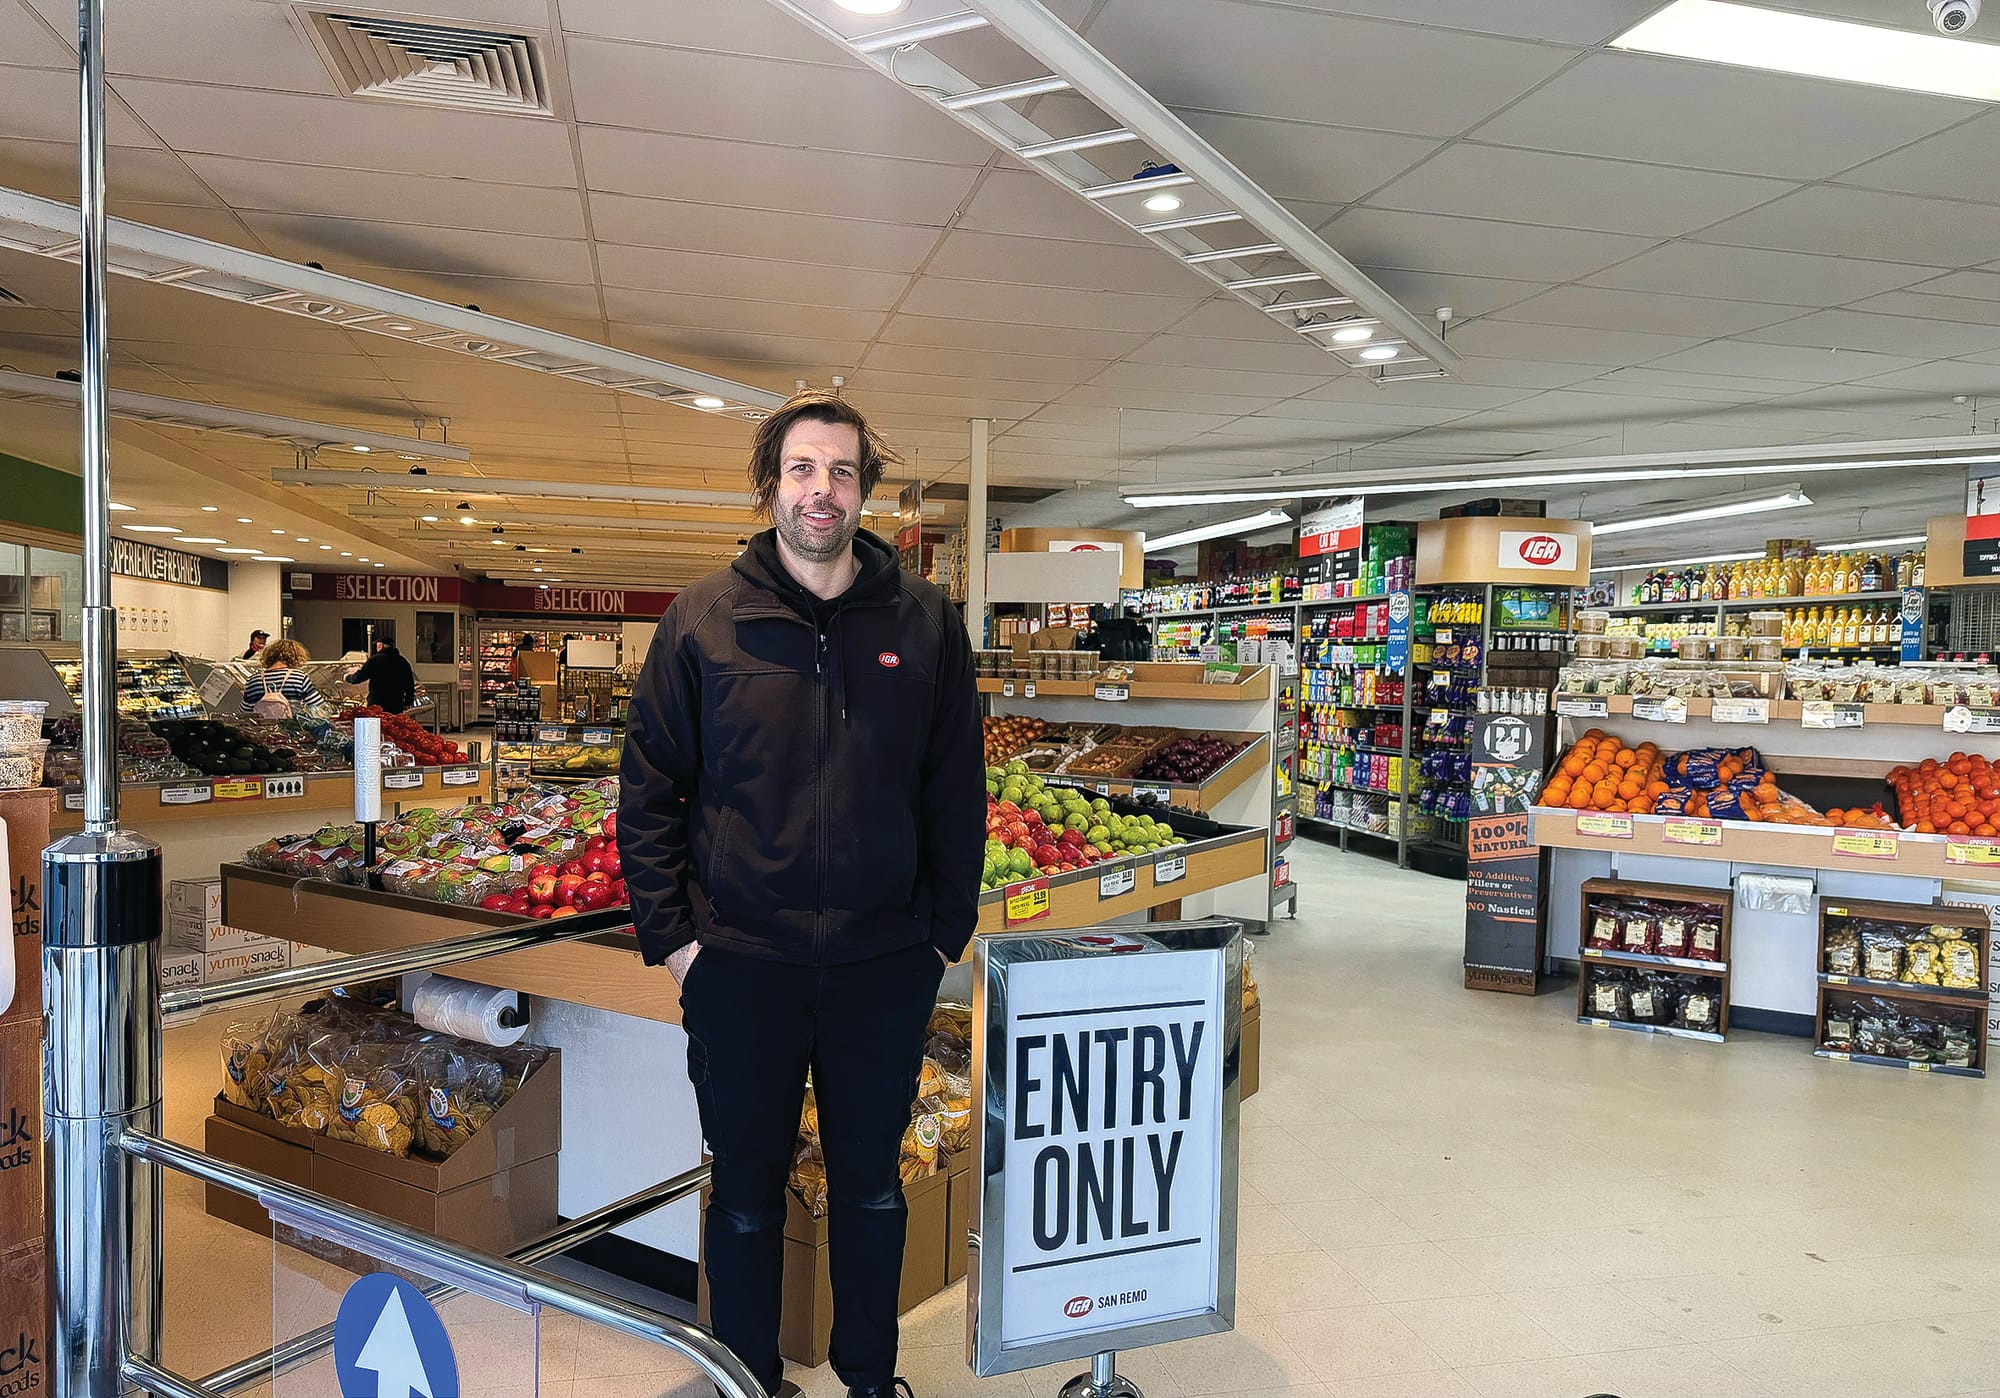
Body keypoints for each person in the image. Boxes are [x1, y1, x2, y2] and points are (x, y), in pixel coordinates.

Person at [619, 390, 981, 1398]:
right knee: (744, 1199)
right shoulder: (703, 618)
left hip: (882, 965)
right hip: (741, 966)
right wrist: (678, 944)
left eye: (841, 472)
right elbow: (648, 787)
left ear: (865, 490)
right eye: (802, 469)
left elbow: (957, 787)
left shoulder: (925, 622)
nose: (822, 490)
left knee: (871, 1192)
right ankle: (748, 1380)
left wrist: (940, 935)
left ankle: (869, 1378)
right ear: (770, 484)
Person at [239, 639, 322, 717]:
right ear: (296, 657)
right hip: (293, 727)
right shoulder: (299, 678)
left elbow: (244, 714)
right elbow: (318, 709)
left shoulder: (253, 681)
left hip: (262, 727)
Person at [344, 638, 417, 713]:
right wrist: (408, 702)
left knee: (377, 720)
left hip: (377, 703)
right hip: (396, 704)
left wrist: (348, 678)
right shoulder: (403, 661)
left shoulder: (375, 660)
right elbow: (409, 685)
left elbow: (360, 677)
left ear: (380, 646)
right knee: (393, 720)